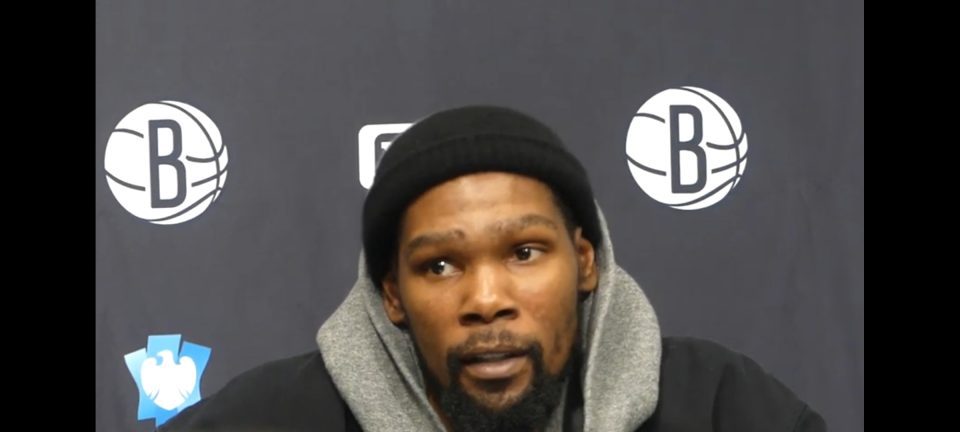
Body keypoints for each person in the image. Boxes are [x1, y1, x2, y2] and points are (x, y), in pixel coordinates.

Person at [160, 105, 826, 432]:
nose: (486, 299)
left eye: (525, 253)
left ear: (586, 261)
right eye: (441, 265)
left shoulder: (717, 405)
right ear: (392, 294)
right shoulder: (270, 419)